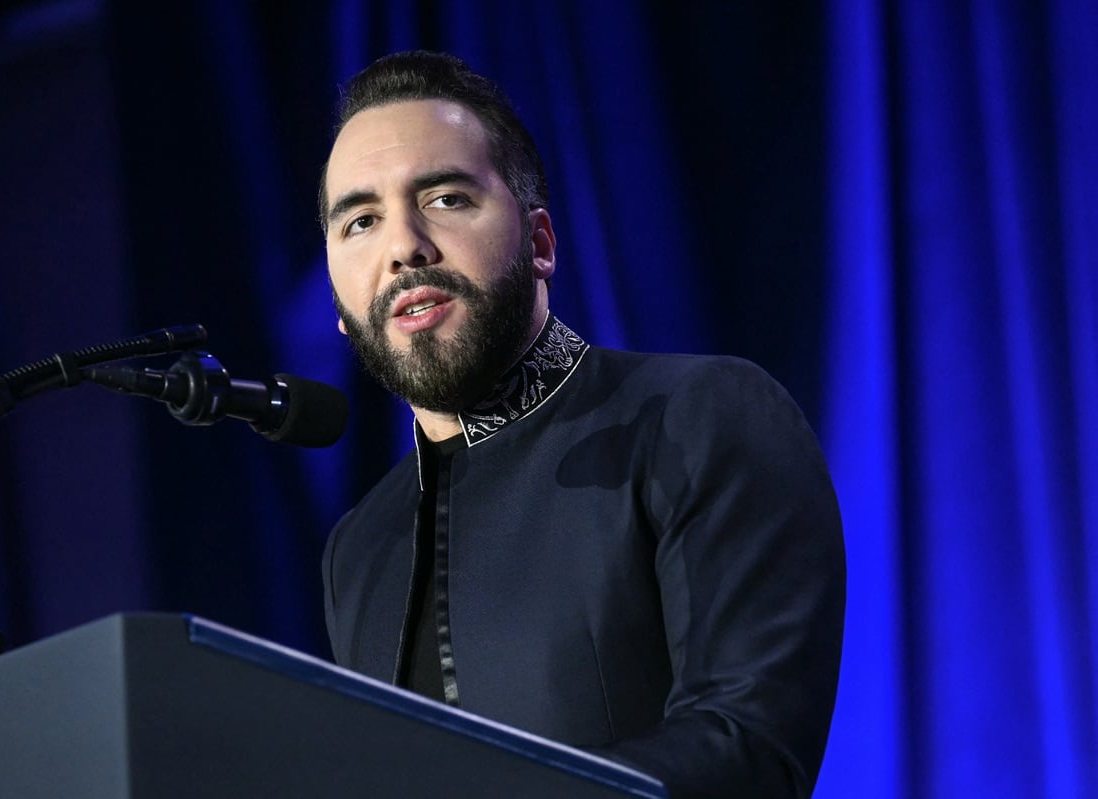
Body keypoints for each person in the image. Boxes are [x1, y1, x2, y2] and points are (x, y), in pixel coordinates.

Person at [319, 50, 845, 799]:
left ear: (539, 243)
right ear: (340, 307)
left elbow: (748, 749)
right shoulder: (359, 549)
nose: (404, 247)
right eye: (362, 221)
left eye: (445, 199)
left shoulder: (700, 415)